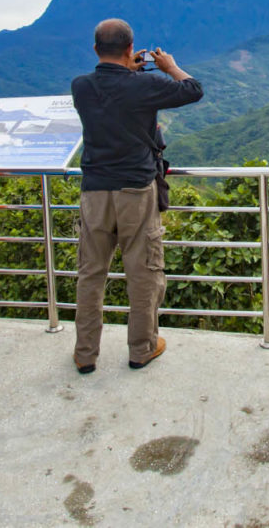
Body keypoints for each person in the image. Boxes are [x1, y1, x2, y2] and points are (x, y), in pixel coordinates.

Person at [69, 19, 203, 375]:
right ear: (131, 50)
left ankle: (85, 353)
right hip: (135, 191)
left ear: (95, 49)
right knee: (142, 272)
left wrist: (128, 69)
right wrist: (168, 66)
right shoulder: (143, 85)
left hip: (94, 191)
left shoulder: (80, 86)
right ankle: (141, 348)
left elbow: (110, 91)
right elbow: (193, 90)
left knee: (91, 273)